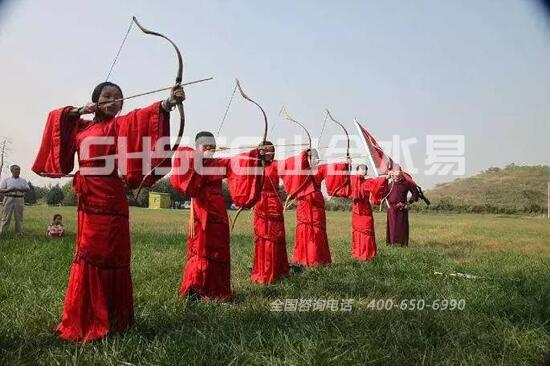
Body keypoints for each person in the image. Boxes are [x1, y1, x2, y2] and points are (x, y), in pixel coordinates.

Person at [32, 81, 184, 342]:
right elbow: (57, 119)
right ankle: (87, 317)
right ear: (96, 100)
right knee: (89, 252)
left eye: (119, 98)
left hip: (112, 198)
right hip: (89, 198)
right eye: (107, 96)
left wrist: (168, 104)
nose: (114, 101)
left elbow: (143, 118)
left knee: (113, 252)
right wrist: (80, 110)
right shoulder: (82, 125)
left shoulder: (119, 125)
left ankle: (116, 318)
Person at [171, 131, 263, 301]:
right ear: (197, 146)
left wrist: (256, 154)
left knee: (218, 249)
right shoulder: (191, 160)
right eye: (205, 146)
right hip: (200, 211)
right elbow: (182, 153)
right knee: (200, 248)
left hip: (218, 211)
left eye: (212, 146)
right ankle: (195, 288)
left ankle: (217, 291)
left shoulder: (218, 163)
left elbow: (237, 161)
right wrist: (199, 155)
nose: (210, 149)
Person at [280, 149, 349, 267]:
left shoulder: (319, 169)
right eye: (312, 157)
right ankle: (301, 258)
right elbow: (289, 164)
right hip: (303, 202)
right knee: (303, 228)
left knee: (317, 229)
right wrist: (304, 153)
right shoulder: (300, 169)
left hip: (316, 202)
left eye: (317, 157)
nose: (315, 159)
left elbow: (332, 167)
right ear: (307, 158)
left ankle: (318, 259)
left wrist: (345, 164)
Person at [251, 141, 289, 284]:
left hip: (273, 202)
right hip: (260, 204)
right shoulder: (255, 166)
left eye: (272, 151)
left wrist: (305, 156)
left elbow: (291, 164)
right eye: (266, 151)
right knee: (262, 237)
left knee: (275, 236)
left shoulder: (276, 164)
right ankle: (262, 269)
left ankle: (278, 270)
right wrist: (255, 156)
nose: (270, 153)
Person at [347, 165, 388, 260]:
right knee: (357, 231)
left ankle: (368, 254)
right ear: (357, 171)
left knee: (367, 231)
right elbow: (347, 181)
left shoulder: (368, 182)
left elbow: (376, 182)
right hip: (356, 210)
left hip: (366, 210)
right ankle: (357, 253)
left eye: (365, 169)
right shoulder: (352, 180)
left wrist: (385, 177)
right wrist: (347, 164)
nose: (364, 170)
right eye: (361, 169)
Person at [385, 168, 419, 246]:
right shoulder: (390, 184)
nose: (395, 173)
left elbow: (415, 192)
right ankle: (392, 243)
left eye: (397, 171)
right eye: (394, 172)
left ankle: (402, 244)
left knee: (402, 226)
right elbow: (383, 194)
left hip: (402, 207)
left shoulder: (406, 183)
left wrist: (408, 203)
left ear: (400, 172)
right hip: (392, 208)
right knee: (392, 226)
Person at [0, 165, 30, 235]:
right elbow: (1, 189)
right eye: (16, 170)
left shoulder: (23, 180)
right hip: (8, 198)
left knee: (19, 217)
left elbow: (28, 189)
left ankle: (19, 232)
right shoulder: (6, 180)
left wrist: (19, 189)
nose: (18, 171)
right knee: (6, 216)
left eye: (19, 170)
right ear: (12, 171)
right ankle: (3, 232)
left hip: (19, 198)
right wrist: (8, 189)